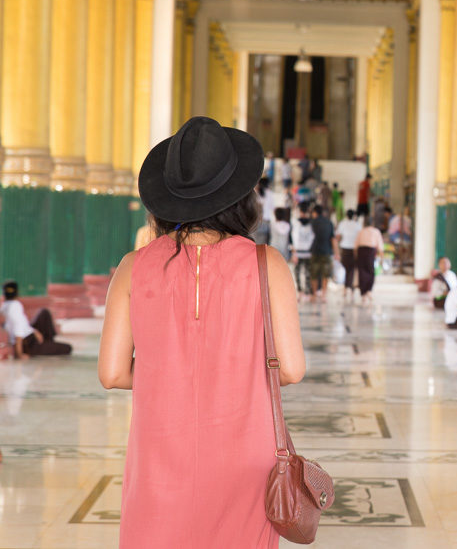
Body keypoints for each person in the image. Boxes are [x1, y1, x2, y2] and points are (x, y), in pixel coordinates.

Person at [99, 116, 305, 548]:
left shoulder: (133, 267)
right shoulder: (268, 264)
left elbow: (113, 374)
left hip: (158, 458)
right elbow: (291, 369)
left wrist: (169, 370)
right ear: (242, 196)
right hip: (245, 460)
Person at [1, 281, 72, 358]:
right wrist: (19, 354)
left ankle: (48, 343)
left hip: (29, 336)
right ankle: (48, 344)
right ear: (17, 292)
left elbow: (21, 325)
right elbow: (18, 331)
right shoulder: (15, 306)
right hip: (29, 344)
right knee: (68, 348)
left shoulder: (4, 306)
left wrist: (34, 331)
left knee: (44, 313)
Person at [354, 216, 384, 306]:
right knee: (370, 271)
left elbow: (355, 246)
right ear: (372, 223)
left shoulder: (361, 232)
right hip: (370, 252)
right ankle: (368, 291)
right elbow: (380, 246)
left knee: (362, 271)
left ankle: (364, 292)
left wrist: (356, 256)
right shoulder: (376, 231)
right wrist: (382, 258)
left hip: (361, 252)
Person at [309, 204, 335, 300]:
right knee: (325, 274)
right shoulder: (329, 222)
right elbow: (333, 239)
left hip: (315, 250)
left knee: (314, 274)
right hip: (326, 250)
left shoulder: (312, 222)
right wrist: (336, 253)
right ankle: (324, 295)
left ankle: (315, 294)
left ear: (315, 213)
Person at [290, 202, 315, 299]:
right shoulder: (311, 223)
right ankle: (305, 292)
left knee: (300, 272)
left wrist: (293, 252)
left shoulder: (296, 222)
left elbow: (292, 238)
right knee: (306, 272)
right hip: (305, 252)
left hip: (300, 251)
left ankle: (302, 291)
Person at [336, 210, 362, 300]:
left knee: (347, 268)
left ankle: (347, 287)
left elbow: (338, 236)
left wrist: (337, 248)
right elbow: (360, 237)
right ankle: (349, 288)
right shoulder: (357, 225)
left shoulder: (342, 224)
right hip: (354, 249)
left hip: (345, 248)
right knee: (351, 269)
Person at [255, 177, 273, 245]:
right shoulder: (270, 193)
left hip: (257, 221)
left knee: (255, 243)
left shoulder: (256, 193)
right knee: (264, 244)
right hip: (266, 220)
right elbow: (272, 207)